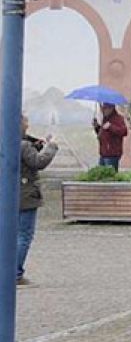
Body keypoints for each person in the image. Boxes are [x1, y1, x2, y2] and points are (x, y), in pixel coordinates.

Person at [17, 115, 58, 286]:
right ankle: (16, 273)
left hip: (12, 194)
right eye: (26, 120)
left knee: (11, 235)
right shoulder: (23, 145)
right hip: (26, 195)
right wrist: (52, 147)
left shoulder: (11, 142)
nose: (28, 123)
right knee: (24, 235)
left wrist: (37, 146)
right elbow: (38, 162)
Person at [93, 103, 127, 171]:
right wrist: (97, 127)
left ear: (111, 109)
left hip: (112, 154)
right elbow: (103, 134)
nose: (103, 111)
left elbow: (124, 131)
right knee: (101, 175)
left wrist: (110, 126)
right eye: (103, 109)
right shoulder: (105, 119)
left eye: (105, 109)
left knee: (110, 176)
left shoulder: (118, 118)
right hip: (103, 153)